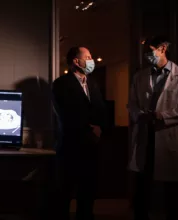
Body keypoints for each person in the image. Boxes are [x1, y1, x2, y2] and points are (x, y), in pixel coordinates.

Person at [128, 36, 178, 220]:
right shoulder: (140, 76)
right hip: (145, 134)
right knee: (142, 187)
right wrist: (139, 115)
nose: (146, 55)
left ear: (163, 48)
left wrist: (164, 116)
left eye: (149, 50)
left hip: (167, 135)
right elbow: (132, 104)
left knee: (171, 190)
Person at [52, 46, 107, 220]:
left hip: (91, 146)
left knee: (88, 190)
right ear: (76, 61)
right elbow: (67, 112)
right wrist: (89, 128)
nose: (91, 60)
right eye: (88, 57)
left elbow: (100, 109)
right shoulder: (61, 84)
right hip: (71, 144)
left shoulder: (93, 83)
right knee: (65, 190)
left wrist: (100, 127)